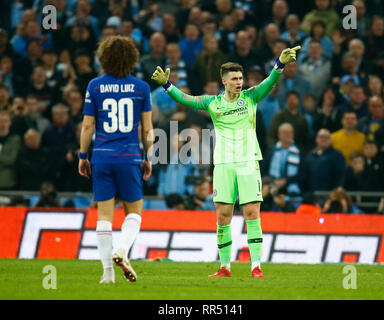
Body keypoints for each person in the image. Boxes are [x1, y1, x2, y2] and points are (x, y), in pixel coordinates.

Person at [152, 45, 301, 278]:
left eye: (241, 78)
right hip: (223, 164)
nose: (239, 82)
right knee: (223, 216)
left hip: (248, 162)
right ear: (224, 81)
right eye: (234, 79)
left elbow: (269, 82)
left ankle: (256, 267)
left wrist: (279, 65)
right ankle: (224, 267)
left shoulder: (251, 97)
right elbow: (187, 99)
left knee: (252, 213)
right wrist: (167, 85)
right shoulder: (212, 102)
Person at [78, 36, 153, 284]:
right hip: (129, 157)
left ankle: (107, 274)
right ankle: (122, 250)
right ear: (132, 59)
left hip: (101, 157)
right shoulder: (141, 88)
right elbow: (148, 129)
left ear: (104, 58)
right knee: (135, 212)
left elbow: (88, 125)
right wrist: (149, 157)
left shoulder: (95, 86)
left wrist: (82, 155)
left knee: (104, 217)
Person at [299, 129, 345, 193]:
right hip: (311, 196)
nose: (323, 139)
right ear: (316, 139)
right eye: (321, 137)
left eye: (326, 137)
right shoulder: (309, 155)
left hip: (330, 195)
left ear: (331, 140)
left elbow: (340, 177)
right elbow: (303, 175)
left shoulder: (338, 156)